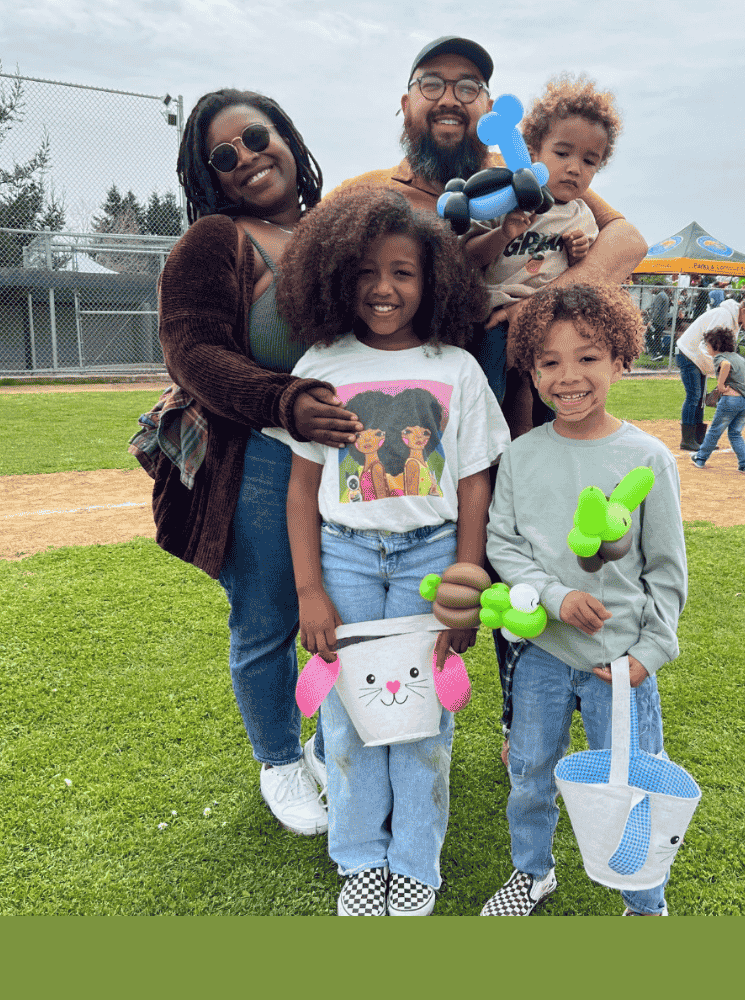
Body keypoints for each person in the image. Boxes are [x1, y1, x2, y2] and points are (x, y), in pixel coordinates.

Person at [265, 186, 511, 915]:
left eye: (403, 271)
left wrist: (463, 584)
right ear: (339, 276)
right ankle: (359, 856)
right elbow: (301, 489)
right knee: (347, 718)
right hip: (343, 557)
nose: (384, 287)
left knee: (422, 719)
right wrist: (309, 589)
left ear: (431, 278)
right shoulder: (322, 364)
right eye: (368, 271)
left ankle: (413, 860)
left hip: (429, 559)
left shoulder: (456, 369)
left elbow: (473, 487)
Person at [154, 89, 365, 837]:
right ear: (209, 175)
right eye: (224, 155)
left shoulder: (335, 227)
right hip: (266, 460)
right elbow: (192, 353)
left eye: (255, 137)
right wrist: (284, 402)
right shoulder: (214, 239)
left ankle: (323, 744)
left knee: (349, 609)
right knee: (270, 618)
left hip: (355, 461)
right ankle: (278, 760)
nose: (246, 158)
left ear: (285, 137)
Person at [482, 283, 687, 917]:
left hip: (619, 667)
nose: (568, 376)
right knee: (530, 775)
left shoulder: (648, 457)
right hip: (542, 653)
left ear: (622, 358)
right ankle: (532, 872)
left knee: (633, 782)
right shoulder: (519, 455)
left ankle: (644, 898)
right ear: (531, 369)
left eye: (588, 356)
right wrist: (555, 595)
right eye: (549, 361)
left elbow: (667, 567)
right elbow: (503, 545)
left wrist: (649, 652)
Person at [329, 36, 648, 437]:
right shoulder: (366, 191)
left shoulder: (521, 175)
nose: (450, 99)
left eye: (468, 87)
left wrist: (537, 307)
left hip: (502, 358)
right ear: (407, 104)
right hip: (403, 410)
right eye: (431, 84)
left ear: (489, 110)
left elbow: (627, 241)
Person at [463, 74, 623, 401]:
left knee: (549, 395)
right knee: (490, 395)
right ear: (534, 150)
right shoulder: (506, 199)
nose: (574, 168)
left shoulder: (582, 217)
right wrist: (502, 233)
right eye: (563, 153)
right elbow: (469, 256)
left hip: (548, 321)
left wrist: (577, 252)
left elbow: (580, 276)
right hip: (494, 316)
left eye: (589, 160)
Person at [675, 294, 745, 452]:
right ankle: (687, 440)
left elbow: (725, 352)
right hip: (689, 354)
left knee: (701, 399)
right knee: (694, 396)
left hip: (700, 359)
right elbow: (707, 346)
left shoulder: (735, 322)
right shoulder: (724, 317)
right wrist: (720, 377)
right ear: (744, 311)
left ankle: (698, 438)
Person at [689, 328, 745, 474]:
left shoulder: (720, 357)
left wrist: (720, 385)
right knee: (735, 433)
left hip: (730, 400)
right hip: (744, 402)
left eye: (708, 345)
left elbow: (725, 365)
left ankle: (700, 459)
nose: (707, 348)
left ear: (716, 345)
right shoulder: (740, 358)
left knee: (715, 431)